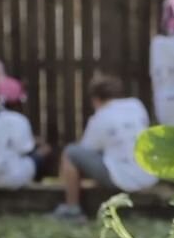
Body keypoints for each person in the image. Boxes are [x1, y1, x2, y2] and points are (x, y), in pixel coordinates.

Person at [52, 75, 157, 220]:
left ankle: (72, 208)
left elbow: (87, 149)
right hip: (150, 175)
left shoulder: (100, 118)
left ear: (95, 99)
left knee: (70, 153)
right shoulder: (136, 105)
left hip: (122, 179)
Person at [0, 76, 51, 189]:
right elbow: (25, 148)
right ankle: (37, 185)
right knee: (44, 150)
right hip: (12, 177)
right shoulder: (20, 120)